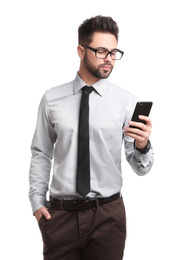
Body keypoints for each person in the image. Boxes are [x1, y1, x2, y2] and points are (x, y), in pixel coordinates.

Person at [29, 15, 154, 260]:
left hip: (108, 217)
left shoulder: (125, 101)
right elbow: (41, 152)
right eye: (101, 51)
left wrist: (142, 145)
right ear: (80, 50)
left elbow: (140, 168)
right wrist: (36, 201)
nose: (109, 59)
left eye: (113, 52)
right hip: (60, 216)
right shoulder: (52, 98)